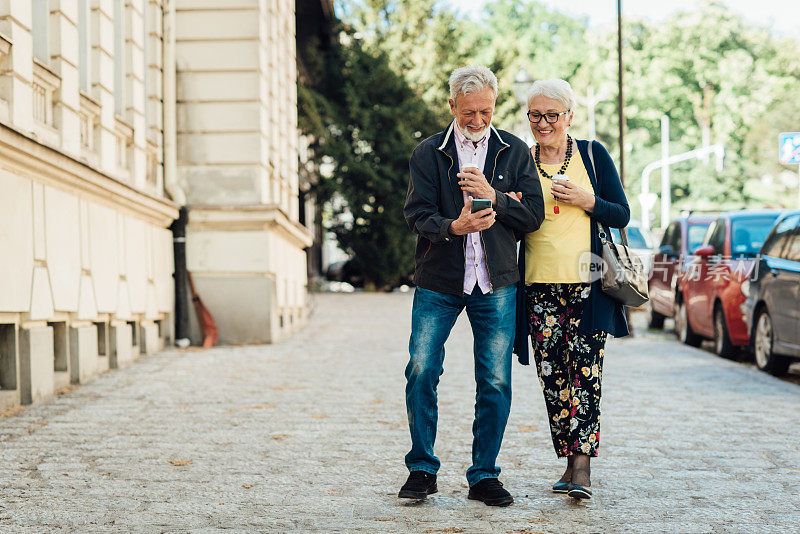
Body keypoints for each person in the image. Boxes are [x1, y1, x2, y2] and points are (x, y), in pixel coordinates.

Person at [400, 65, 544, 506]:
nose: (478, 120)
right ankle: (422, 470)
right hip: (440, 280)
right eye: (468, 113)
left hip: (496, 281)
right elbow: (416, 215)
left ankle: (484, 475)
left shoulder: (515, 152)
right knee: (422, 369)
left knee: (495, 380)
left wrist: (497, 196)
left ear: (495, 105)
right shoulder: (430, 153)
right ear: (452, 107)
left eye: (485, 110)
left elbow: (533, 215)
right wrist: (453, 226)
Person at [511, 79, 630, 500]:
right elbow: (511, 222)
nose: (543, 123)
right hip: (537, 285)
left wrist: (587, 199)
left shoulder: (594, 156)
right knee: (552, 376)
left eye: (552, 115)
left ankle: (582, 468)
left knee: (584, 374)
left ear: (569, 116)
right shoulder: (519, 161)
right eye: (535, 115)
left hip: (587, 283)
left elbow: (622, 214)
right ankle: (567, 459)